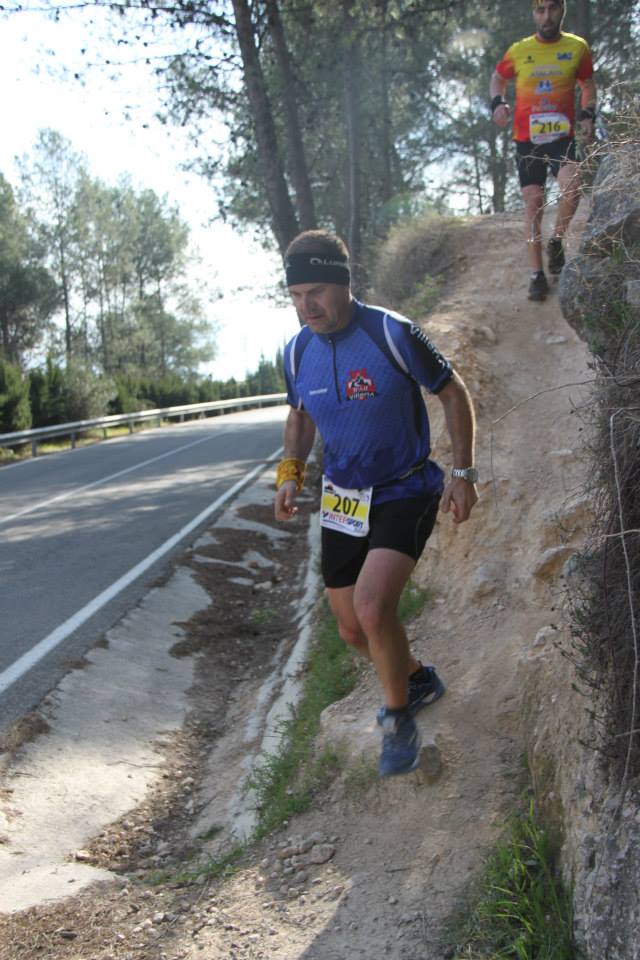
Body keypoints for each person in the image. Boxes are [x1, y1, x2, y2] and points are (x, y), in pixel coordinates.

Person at [273, 229, 478, 777]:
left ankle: (397, 718)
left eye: (315, 291)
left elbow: (452, 391)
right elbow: (299, 414)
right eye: (295, 296)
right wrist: (290, 472)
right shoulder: (295, 351)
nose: (305, 306)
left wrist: (463, 473)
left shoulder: (391, 332)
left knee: (372, 607)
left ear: (344, 284)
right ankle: (415, 679)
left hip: (406, 488)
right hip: (343, 496)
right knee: (349, 629)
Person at [490, 0, 597, 301]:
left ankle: (557, 240)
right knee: (533, 203)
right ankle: (537, 274)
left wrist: (588, 113)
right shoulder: (519, 50)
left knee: (572, 188)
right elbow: (497, 79)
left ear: (562, 9)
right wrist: (497, 103)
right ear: (533, 14)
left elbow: (588, 84)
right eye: (540, 10)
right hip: (527, 139)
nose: (546, 16)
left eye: (552, 8)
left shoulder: (577, 48)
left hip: (562, 136)